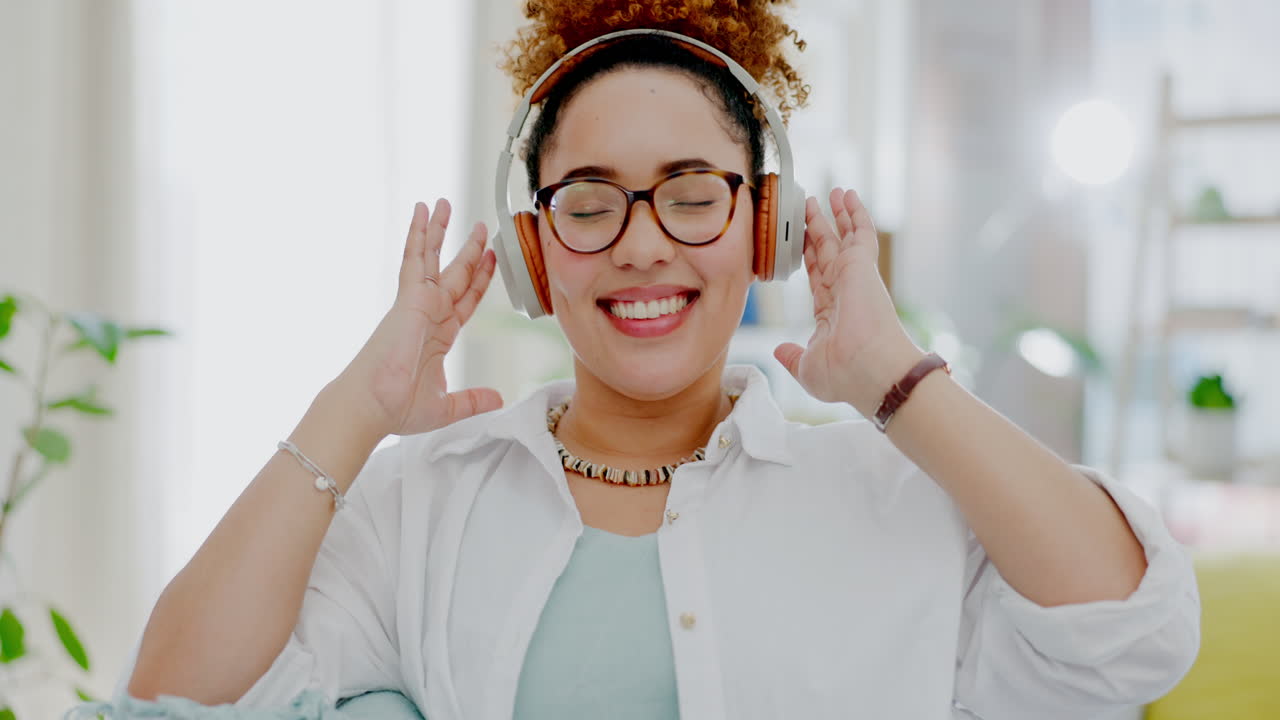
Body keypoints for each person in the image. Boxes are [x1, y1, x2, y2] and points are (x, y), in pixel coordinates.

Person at [119, 1, 1199, 718]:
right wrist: (355, 407)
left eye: (693, 196)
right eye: (589, 203)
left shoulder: (891, 499)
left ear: (764, 227)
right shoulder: (421, 506)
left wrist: (890, 373)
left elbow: (1133, 633)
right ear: (535, 251)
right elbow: (177, 695)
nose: (642, 242)